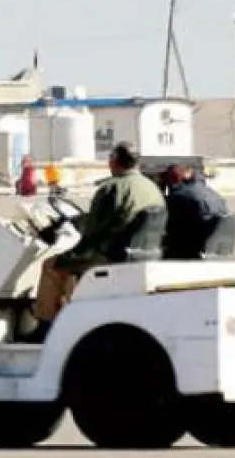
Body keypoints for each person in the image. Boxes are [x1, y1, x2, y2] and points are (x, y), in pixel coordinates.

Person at [29, 142, 165, 339]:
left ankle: (46, 327)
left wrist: (72, 247)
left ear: (115, 162)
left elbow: (92, 232)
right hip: (144, 254)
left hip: (109, 255)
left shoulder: (112, 188)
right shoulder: (152, 188)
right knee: (70, 264)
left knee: (52, 265)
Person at [160, 162, 230, 259]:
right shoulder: (214, 194)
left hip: (192, 250)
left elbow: (168, 226)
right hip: (217, 248)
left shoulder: (180, 196)